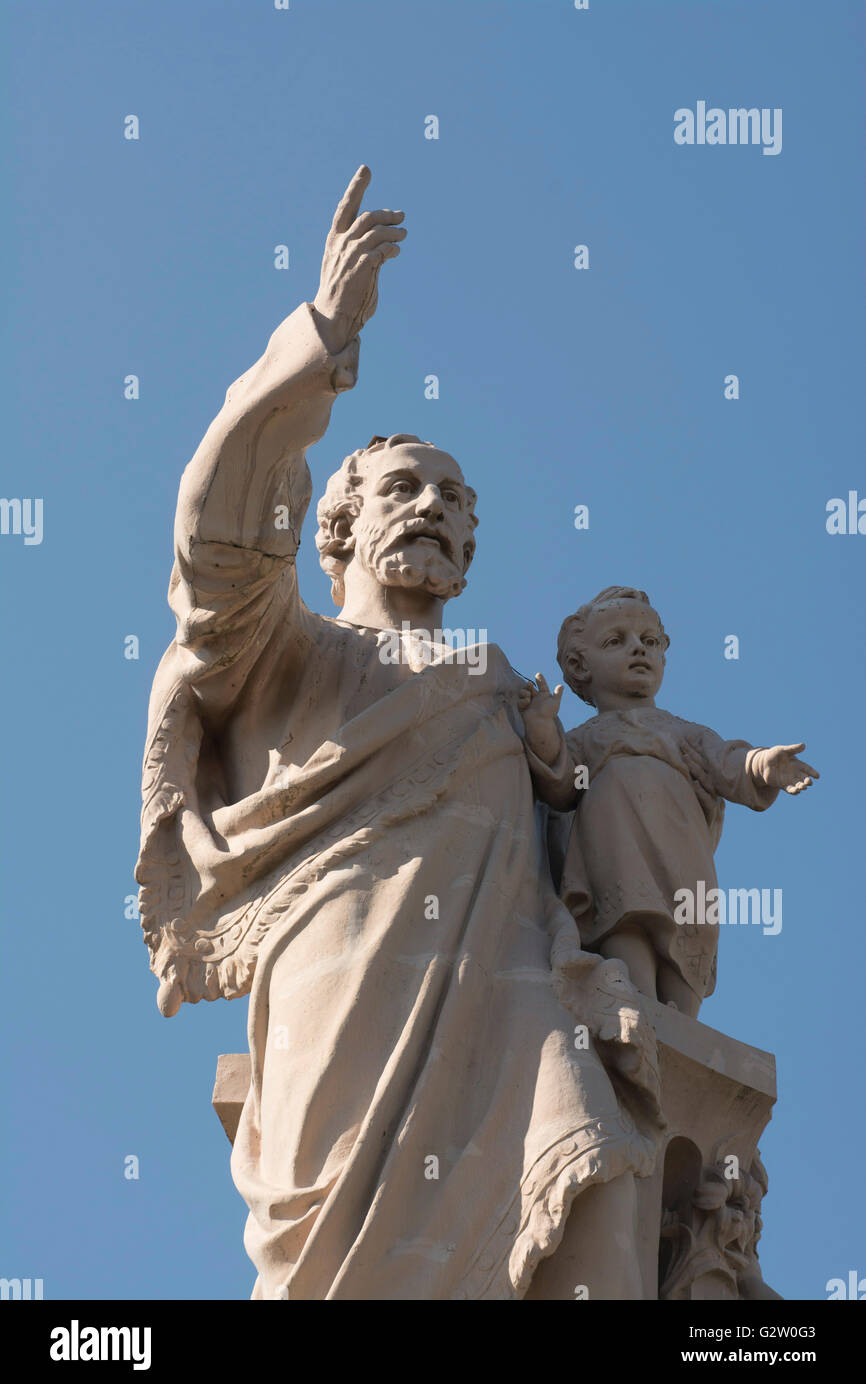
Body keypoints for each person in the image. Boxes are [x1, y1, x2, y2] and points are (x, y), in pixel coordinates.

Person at [136, 170, 663, 1300]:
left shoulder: (504, 685)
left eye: (454, 499)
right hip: (347, 976)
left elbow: (588, 824)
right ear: (335, 523)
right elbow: (214, 541)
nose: (430, 507)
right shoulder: (290, 652)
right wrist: (323, 336)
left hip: (519, 984)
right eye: (402, 489)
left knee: (602, 1189)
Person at [520, 586, 819, 1017]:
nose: (638, 649)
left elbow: (727, 761)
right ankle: (634, 1003)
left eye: (650, 640)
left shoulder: (685, 731)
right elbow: (561, 785)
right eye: (615, 641)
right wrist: (543, 731)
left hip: (683, 853)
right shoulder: (586, 738)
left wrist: (761, 765)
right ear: (580, 665)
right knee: (627, 917)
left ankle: (684, 1024)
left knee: (690, 930)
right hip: (614, 851)